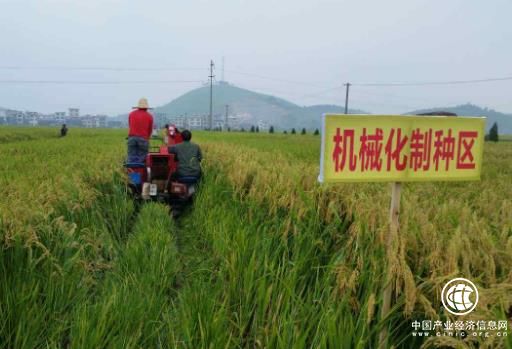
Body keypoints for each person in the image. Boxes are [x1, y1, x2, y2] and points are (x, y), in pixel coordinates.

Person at [127, 98, 154, 163]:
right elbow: (150, 130)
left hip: (132, 138)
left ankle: (132, 171)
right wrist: (147, 138)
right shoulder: (149, 116)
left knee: (131, 156)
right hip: (143, 138)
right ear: (146, 107)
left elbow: (130, 125)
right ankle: (141, 170)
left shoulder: (131, 114)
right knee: (142, 158)